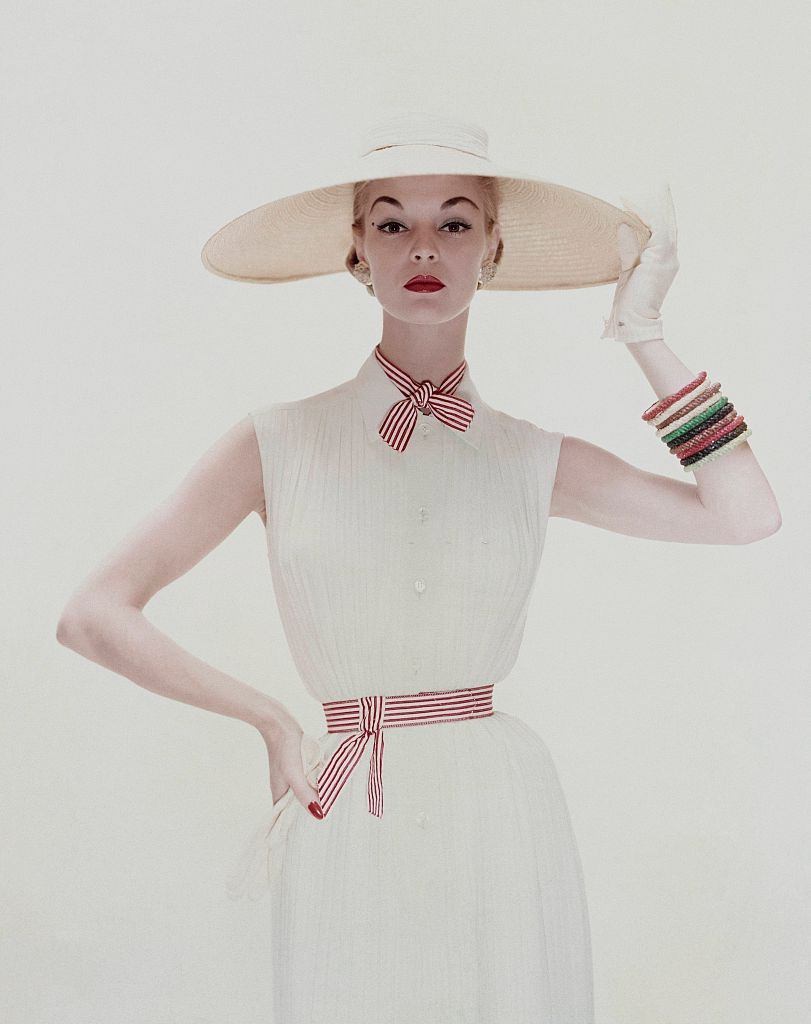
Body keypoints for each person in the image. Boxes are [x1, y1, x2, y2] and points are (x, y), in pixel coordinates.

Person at [56, 115, 781, 1023]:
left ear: (493, 249)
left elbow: (746, 516)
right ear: (356, 250)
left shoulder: (528, 455)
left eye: (456, 221)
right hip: (347, 797)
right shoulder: (276, 441)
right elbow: (94, 613)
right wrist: (272, 720)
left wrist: (643, 330)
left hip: (498, 808)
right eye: (392, 222)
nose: (423, 247)